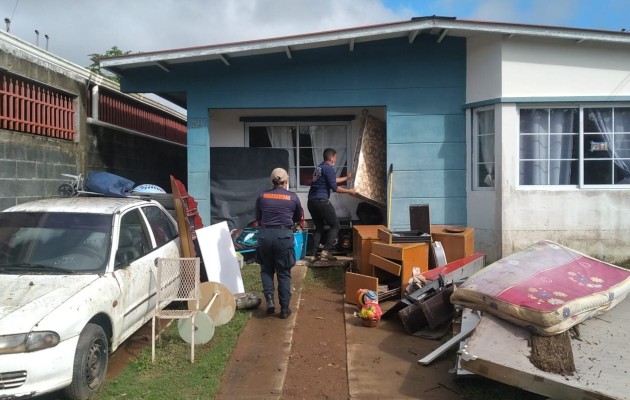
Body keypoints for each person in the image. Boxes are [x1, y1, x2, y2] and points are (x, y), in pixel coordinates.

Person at [255, 167, 304, 319]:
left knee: (266, 269)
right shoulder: (292, 197)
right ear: (286, 181)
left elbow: (258, 218)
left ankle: (270, 301)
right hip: (283, 237)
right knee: (283, 273)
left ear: (272, 180)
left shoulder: (262, 196)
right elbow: (297, 218)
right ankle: (284, 308)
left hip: (265, 236)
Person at [307, 148, 356, 262]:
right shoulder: (329, 169)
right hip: (322, 202)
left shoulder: (319, 168)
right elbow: (335, 188)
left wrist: (347, 178)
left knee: (319, 228)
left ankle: (313, 256)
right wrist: (350, 191)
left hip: (312, 202)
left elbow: (331, 180)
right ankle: (326, 251)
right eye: (335, 157)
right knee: (335, 226)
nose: (336, 159)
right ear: (331, 157)